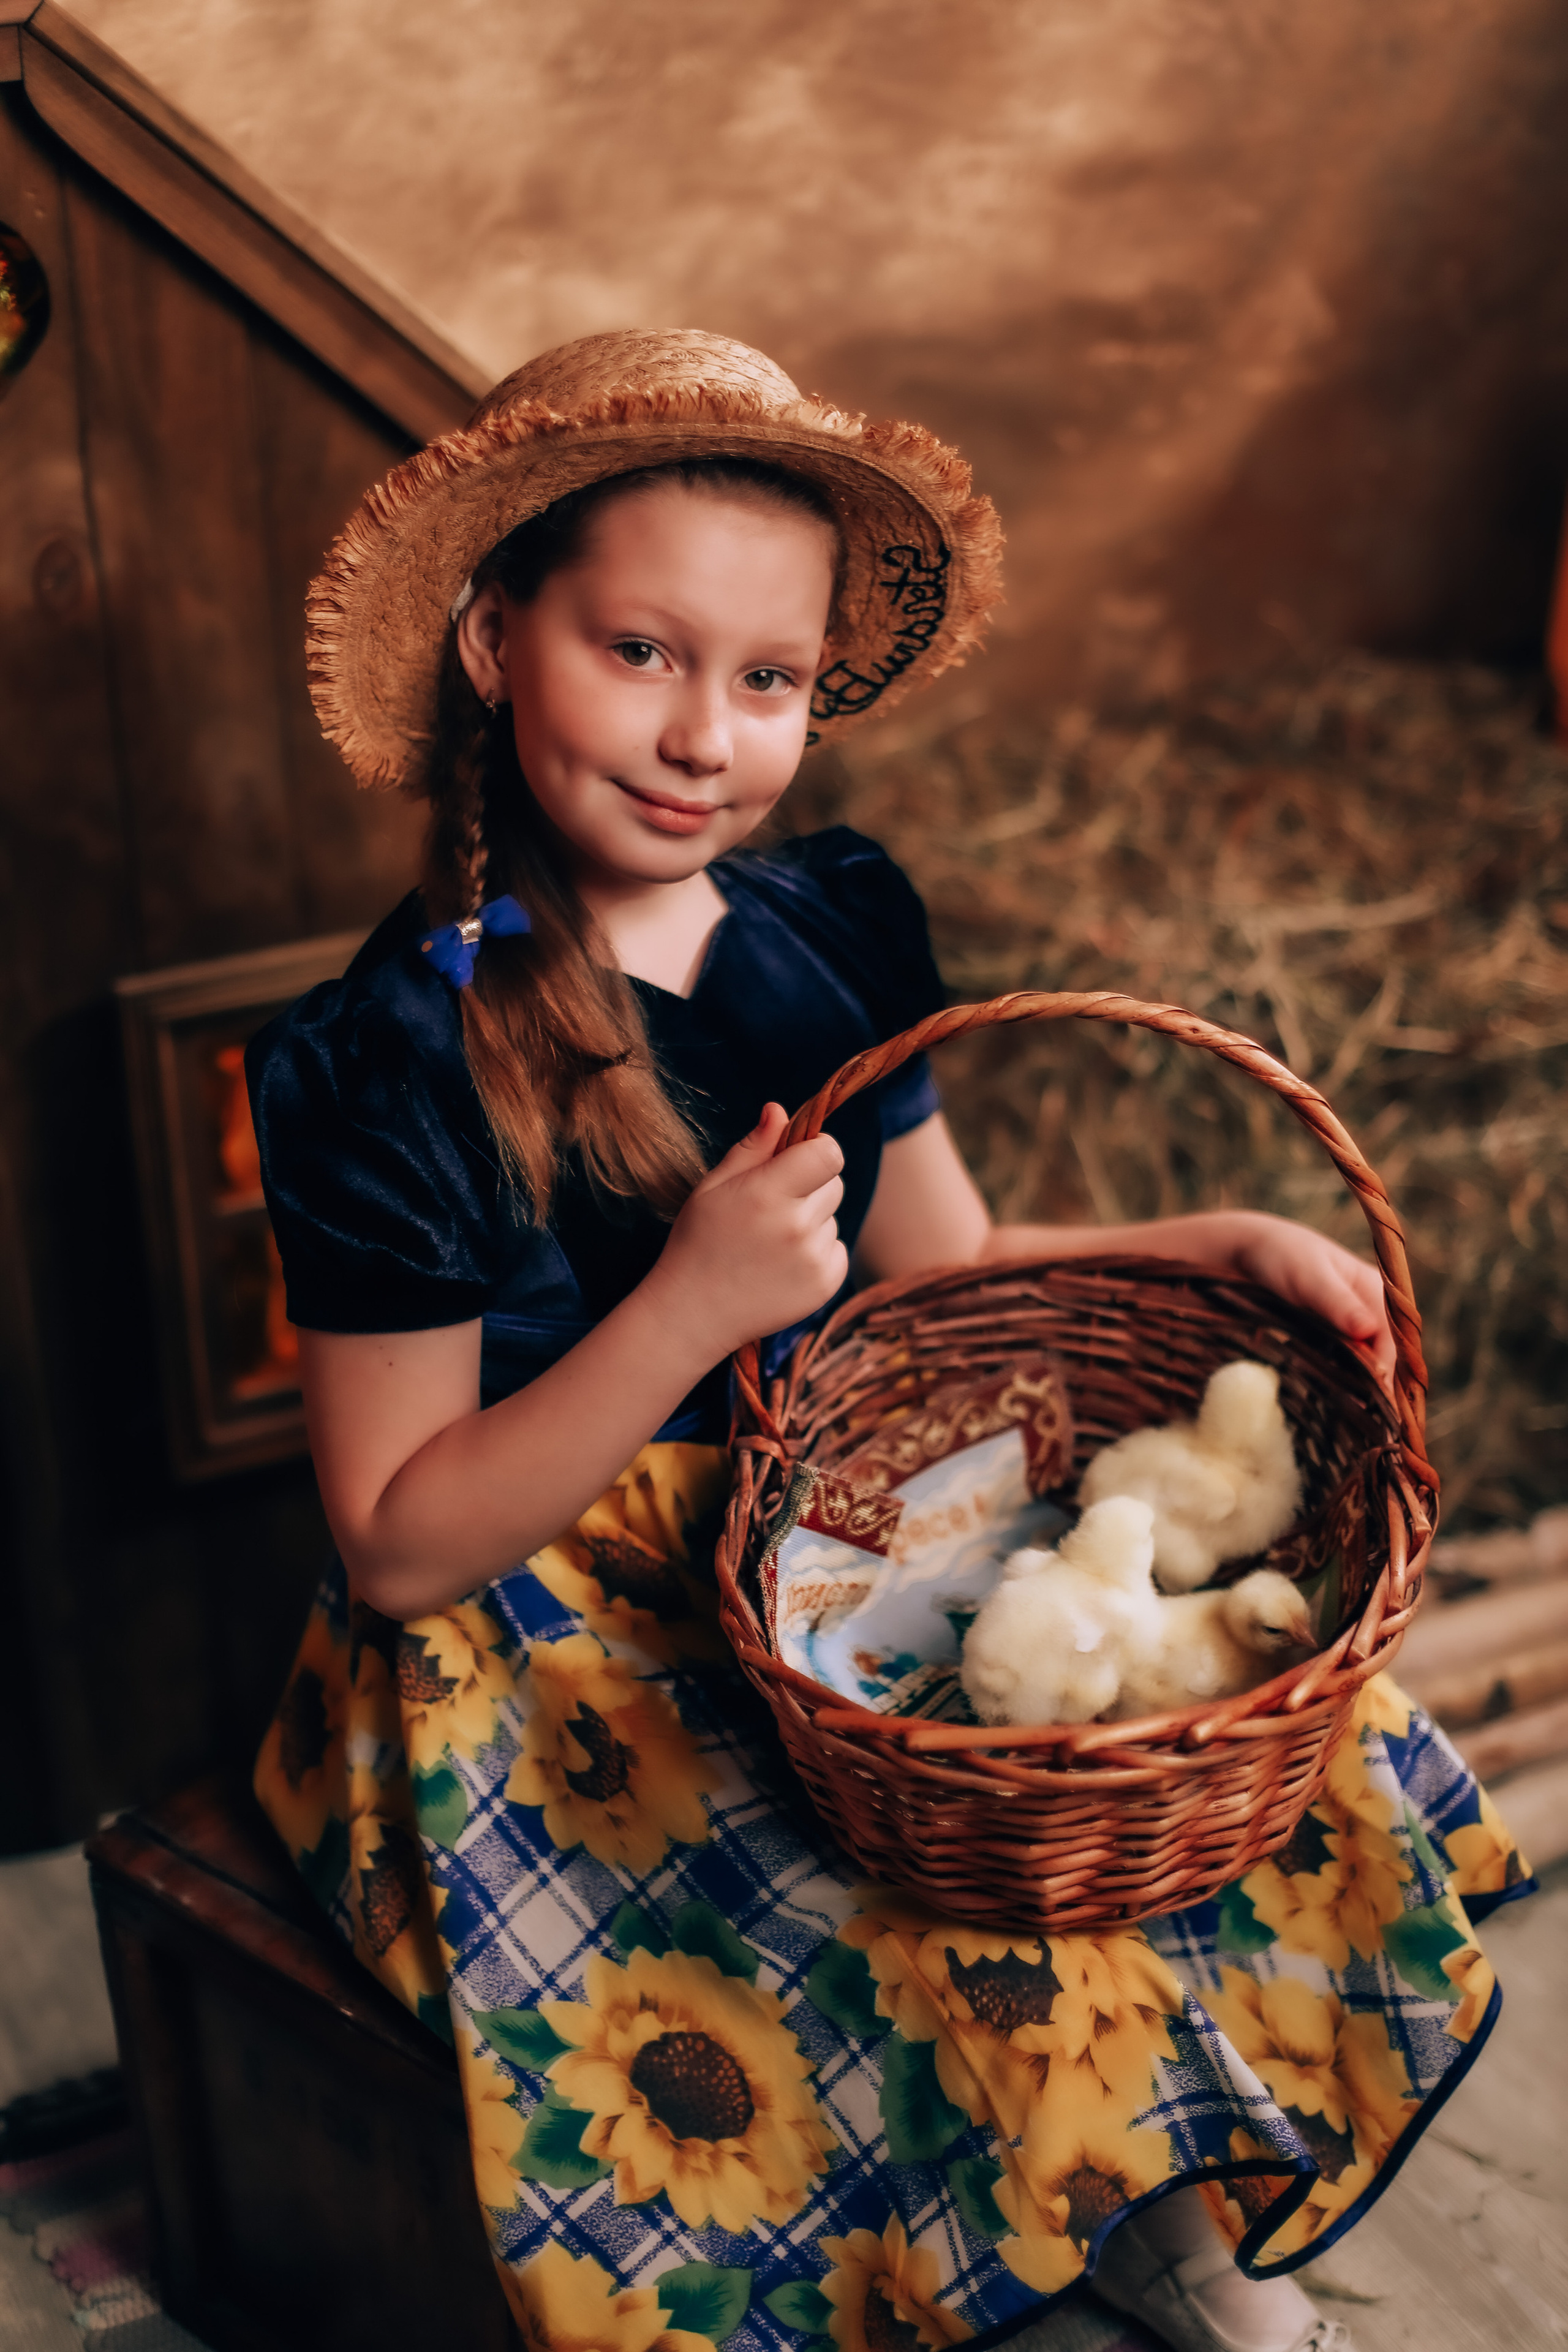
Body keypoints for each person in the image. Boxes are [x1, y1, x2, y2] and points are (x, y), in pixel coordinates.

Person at [249, 331, 1529, 2352]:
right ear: (498, 644)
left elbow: (948, 1277)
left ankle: (1148, 2177)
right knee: (874, 1892)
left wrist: (1212, 1236)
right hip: (549, 1620)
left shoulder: (826, 928)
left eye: (766, 680)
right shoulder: (390, 1056)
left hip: (825, 1515)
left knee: (1118, 1757)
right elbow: (401, 1540)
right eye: (641, 652)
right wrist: (691, 1298)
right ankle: (1031, 2201)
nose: (705, 737)